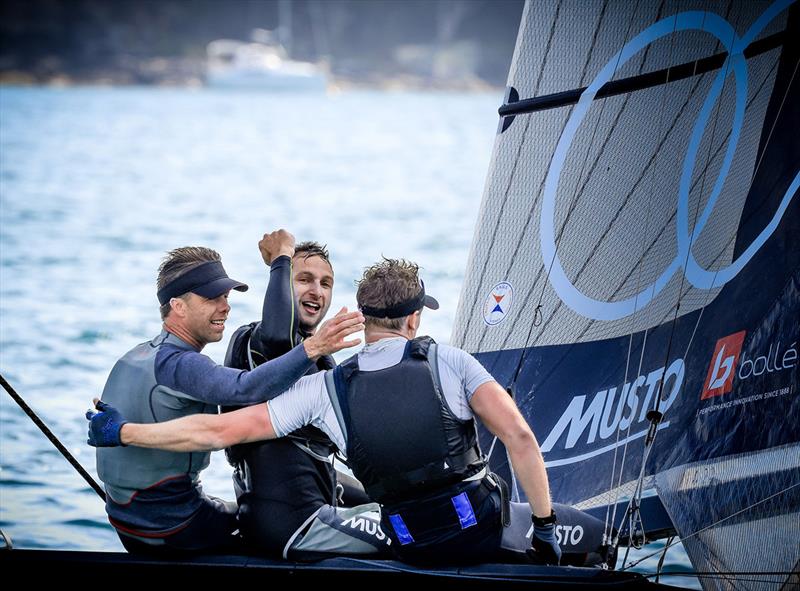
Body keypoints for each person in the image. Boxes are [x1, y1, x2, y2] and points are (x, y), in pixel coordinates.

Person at [89, 259, 609, 565]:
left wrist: (125, 432)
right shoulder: (450, 361)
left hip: (407, 542)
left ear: (361, 317)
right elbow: (519, 437)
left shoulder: (325, 388)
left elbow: (218, 429)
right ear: (412, 320)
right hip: (473, 533)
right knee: (587, 531)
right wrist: (542, 529)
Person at [93, 245, 364, 555]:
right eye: (212, 298)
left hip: (127, 522)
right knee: (269, 522)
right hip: (174, 527)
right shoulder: (178, 364)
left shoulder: (136, 356)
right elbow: (247, 388)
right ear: (177, 306)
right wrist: (314, 347)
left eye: (226, 297)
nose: (225, 307)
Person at [222, 230, 389, 559]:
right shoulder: (264, 344)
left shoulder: (315, 358)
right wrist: (281, 258)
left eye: (325, 283)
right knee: (422, 531)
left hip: (291, 511)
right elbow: (278, 334)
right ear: (284, 285)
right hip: (295, 523)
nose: (316, 291)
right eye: (304, 280)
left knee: (397, 502)